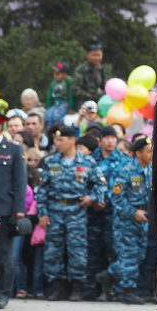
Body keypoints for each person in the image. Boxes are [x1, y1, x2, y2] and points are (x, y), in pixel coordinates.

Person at [37, 125, 103, 301]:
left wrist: (92, 198)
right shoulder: (50, 162)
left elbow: (101, 185)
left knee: (78, 250)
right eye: (56, 140)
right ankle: (55, 286)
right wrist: (42, 213)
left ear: (72, 140)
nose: (58, 143)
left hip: (77, 211)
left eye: (61, 140)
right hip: (55, 210)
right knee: (53, 250)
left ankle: (77, 286)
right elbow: (42, 190)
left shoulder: (88, 162)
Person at [100, 136, 153, 304]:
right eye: (148, 151)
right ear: (138, 153)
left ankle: (106, 276)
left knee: (138, 256)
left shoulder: (151, 170)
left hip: (143, 219)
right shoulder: (126, 170)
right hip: (126, 220)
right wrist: (132, 212)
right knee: (128, 256)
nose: (152, 154)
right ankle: (127, 291)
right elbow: (115, 198)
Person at [0, 109, 26, 306]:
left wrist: (19, 209)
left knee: (3, 255)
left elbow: (20, 182)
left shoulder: (13, 148)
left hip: (4, 208)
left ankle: (2, 293)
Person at [85, 126, 124, 300]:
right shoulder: (89, 160)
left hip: (114, 214)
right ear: (99, 140)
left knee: (114, 251)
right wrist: (94, 200)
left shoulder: (124, 160)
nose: (110, 141)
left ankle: (111, 289)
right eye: (106, 137)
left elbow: (124, 188)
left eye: (113, 137)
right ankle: (90, 289)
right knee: (92, 252)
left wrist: (106, 201)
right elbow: (83, 184)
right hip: (92, 213)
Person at [72, 43, 112, 107]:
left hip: (100, 102)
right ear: (87, 55)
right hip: (84, 103)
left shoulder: (102, 69)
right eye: (93, 55)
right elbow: (75, 89)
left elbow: (105, 86)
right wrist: (91, 96)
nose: (96, 58)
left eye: (98, 55)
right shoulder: (81, 70)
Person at [44, 62, 74, 127]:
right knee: (48, 115)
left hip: (65, 103)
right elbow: (49, 96)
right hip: (55, 104)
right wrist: (49, 107)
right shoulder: (53, 83)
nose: (55, 75)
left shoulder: (68, 82)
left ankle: (59, 130)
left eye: (58, 73)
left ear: (65, 74)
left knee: (57, 116)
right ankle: (50, 131)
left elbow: (71, 96)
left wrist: (71, 108)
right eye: (54, 73)